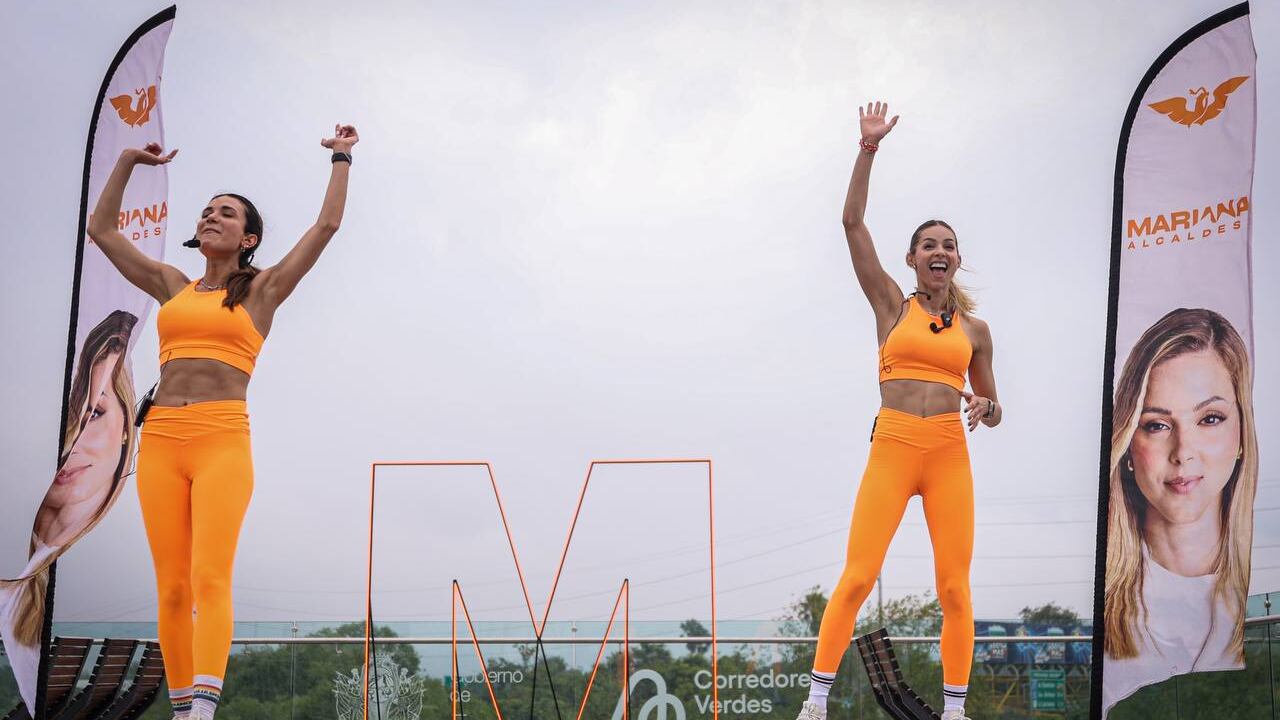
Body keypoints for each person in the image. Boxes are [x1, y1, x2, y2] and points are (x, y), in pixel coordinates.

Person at [85, 124, 359, 719]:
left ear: (248, 237)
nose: (211, 217)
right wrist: (130, 162)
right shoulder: (171, 286)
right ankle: (182, 706)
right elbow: (101, 231)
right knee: (171, 586)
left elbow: (327, 227)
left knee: (210, 575)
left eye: (226, 213)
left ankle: (205, 705)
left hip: (221, 438)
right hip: (158, 441)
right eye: (207, 211)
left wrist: (341, 157)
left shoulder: (263, 290)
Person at [795, 102, 1001, 720]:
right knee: (857, 576)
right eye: (929, 245)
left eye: (950, 246)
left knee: (954, 587)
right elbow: (853, 224)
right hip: (892, 445)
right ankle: (816, 702)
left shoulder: (976, 330)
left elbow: (993, 411)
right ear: (912, 259)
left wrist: (986, 406)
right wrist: (868, 149)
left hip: (946, 450)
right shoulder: (891, 305)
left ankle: (955, 711)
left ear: (956, 261)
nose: (940, 252)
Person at [1102, 308, 1257, 713]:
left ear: (1242, 432)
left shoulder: (1258, 601)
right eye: (1157, 424)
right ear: (1128, 445)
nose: (1183, 453)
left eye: (1209, 418)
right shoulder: (1101, 598)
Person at [0, 309, 138, 713]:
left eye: (94, 413)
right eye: (65, 418)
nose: (71, 440)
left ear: (128, 424)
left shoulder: (74, 569)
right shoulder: (32, 563)